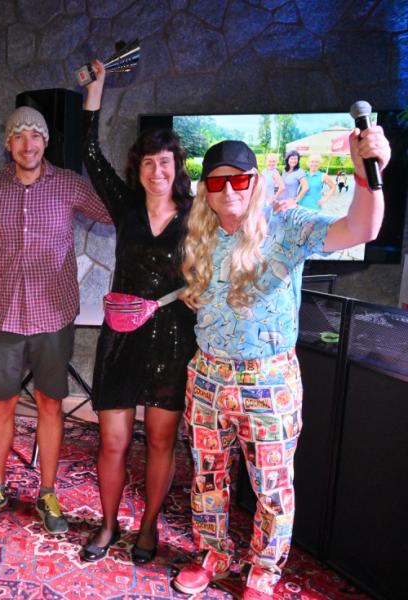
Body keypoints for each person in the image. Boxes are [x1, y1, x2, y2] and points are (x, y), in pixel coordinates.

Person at [172, 129, 390, 599]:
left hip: (268, 381)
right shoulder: (199, 235)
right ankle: (213, 554)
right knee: (206, 477)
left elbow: (361, 230)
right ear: (205, 190)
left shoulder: (287, 224)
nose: (228, 190)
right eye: (216, 182)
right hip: (207, 376)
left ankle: (263, 570)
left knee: (272, 487)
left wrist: (365, 176)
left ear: (255, 182)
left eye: (238, 179)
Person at [0, 105, 112, 533]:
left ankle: (47, 491)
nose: (27, 144)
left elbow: (114, 212)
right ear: (8, 144)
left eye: (35, 135)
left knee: (50, 403)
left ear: (45, 141)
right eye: (19, 136)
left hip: (53, 314)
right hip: (3, 314)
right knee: (2, 404)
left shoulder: (69, 185)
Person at [77, 60, 197, 564]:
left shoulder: (197, 214)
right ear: (138, 168)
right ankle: (108, 525)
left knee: (162, 441)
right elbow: (88, 152)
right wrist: (96, 90)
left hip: (173, 338)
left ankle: (148, 528)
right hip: (122, 337)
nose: (156, 171)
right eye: (148, 162)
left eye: (164, 162)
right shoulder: (125, 207)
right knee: (113, 441)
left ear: (177, 167)